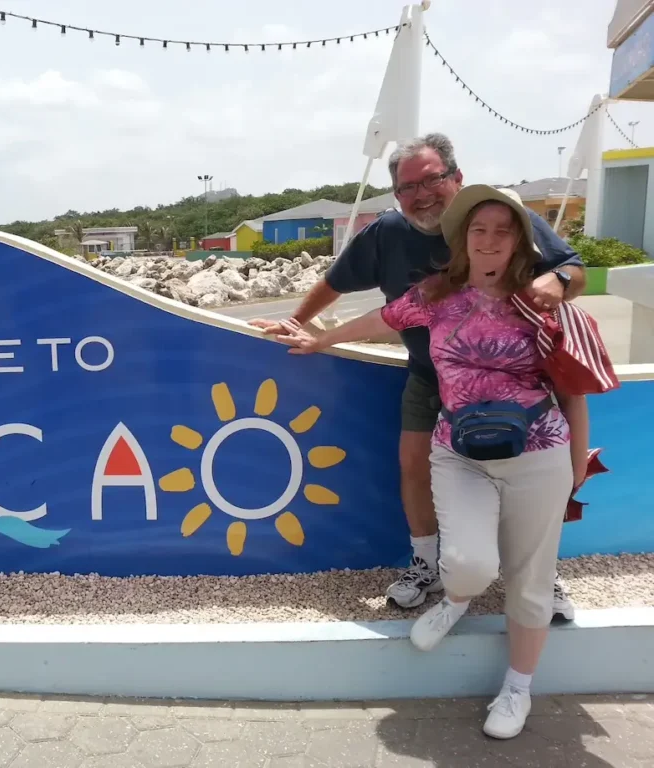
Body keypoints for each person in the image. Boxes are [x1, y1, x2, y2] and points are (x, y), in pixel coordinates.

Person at [276, 184, 588, 739]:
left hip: (539, 453)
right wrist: (318, 339)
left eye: (503, 230)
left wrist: (576, 461)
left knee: (531, 581)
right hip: (459, 451)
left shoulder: (542, 301)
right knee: (470, 562)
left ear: (520, 239)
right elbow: (382, 319)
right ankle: (458, 598)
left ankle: (517, 688)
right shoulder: (437, 293)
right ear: (463, 237)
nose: (490, 240)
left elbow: (574, 388)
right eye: (479, 229)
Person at [249, 133, 586, 617]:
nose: (421, 194)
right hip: (432, 376)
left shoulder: (499, 217)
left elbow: (575, 270)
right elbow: (343, 287)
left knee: (529, 477)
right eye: (408, 187)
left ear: (456, 178)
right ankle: (427, 563)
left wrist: (555, 278)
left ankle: (540, 573)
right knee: (413, 461)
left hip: (521, 384)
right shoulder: (388, 234)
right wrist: (301, 325)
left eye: (432, 180)